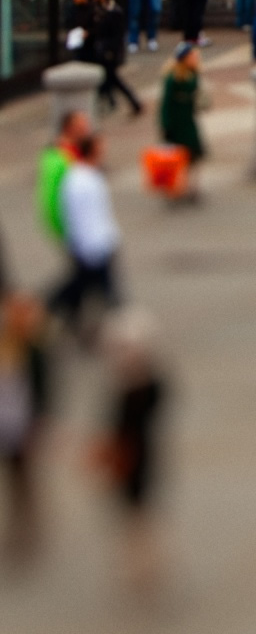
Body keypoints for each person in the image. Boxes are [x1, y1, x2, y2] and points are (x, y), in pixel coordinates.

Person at [97, 307, 167, 600]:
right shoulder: (131, 385)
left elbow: (135, 421)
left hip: (138, 459)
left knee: (139, 518)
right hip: (127, 457)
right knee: (133, 518)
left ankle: (148, 570)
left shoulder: (145, 388)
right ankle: (142, 568)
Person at [48, 133, 121, 336]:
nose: (105, 151)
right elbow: (81, 218)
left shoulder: (89, 176)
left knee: (81, 286)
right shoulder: (80, 180)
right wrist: (92, 244)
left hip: (97, 243)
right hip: (92, 246)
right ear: (93, 150)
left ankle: (64, 314)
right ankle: (120, 326)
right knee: (100, 289)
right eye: (101, 147)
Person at [0, 291, 50, 565]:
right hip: (5, 424)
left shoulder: (34, 352)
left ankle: (27, 531)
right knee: (14, 480)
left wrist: (37, 424)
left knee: (23, 481)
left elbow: (43, 392)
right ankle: (20, 529)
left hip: (21, 426)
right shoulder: (7, 345)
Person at [156, 44, 206, 202]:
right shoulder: (173, 78)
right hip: (176, 120)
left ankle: (191, 187)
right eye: (192, 56)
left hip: (188, 119)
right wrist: (165, 123)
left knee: (193, 154)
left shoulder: (193, 73)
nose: (196, 59)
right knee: (177, 156)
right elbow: (165, 103)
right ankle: (175, 188)